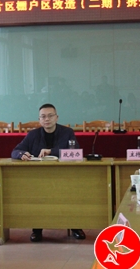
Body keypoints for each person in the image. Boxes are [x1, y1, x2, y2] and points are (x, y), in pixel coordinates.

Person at [11, 103, 85, 242]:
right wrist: (21, 154)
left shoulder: (67, 132)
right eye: (43, 116)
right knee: (37, 196)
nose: (47, 119)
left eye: (50, 116)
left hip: (64, 176)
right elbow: (15, 151)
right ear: (39, 119)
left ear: (57, 117)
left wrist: (51, 151)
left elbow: (75, 152)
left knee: (70, 194)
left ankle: (75, 226)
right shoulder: (33, 135)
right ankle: (37, 229)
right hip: (40, 178)